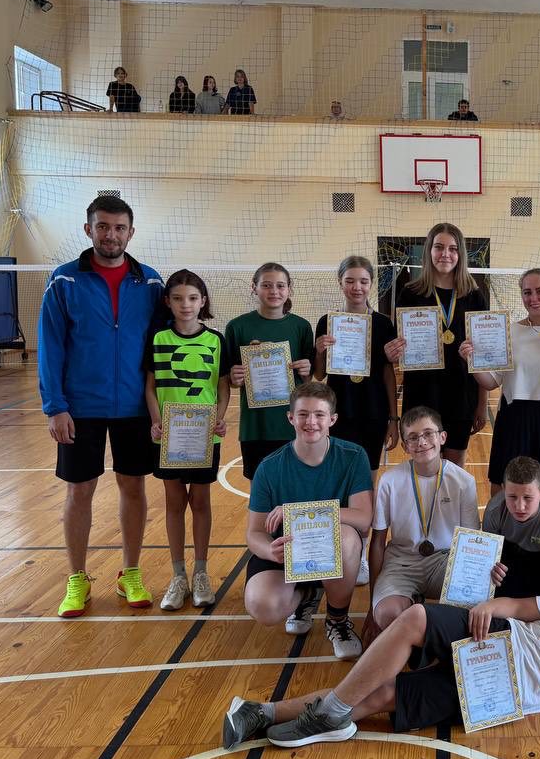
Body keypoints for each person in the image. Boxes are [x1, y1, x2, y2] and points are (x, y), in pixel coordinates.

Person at [221, 570, 540, 750]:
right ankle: (330, 711)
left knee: (385, 696)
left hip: (496, 693)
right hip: (497, 639)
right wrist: (491, 605)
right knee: (414, 617)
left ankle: (260, 713)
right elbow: (520, 608)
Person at [38, 194, 163, 617]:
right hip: (80, 406)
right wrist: (55, 405)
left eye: (119, 228)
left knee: (134, 487)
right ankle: (77, 578)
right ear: (88, 229)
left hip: (135, 405)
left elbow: (166, 343)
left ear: (131, 232)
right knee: (79, 490)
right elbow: (50, 345)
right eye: (103, 226)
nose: (111, 235)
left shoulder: (150, 283)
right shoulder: (64, 280)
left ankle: (131, 572)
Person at [244, 382, 372, 654]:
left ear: (332, 420)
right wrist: (269, 550)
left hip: (332, 552)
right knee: (263, 606)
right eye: (303, 414)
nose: (310, 422)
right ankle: (308, 592)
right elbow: (254, 533)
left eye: (319, 415)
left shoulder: (353, 456)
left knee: (347, 536)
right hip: (286, 553)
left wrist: (297, 511)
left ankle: (337, 619)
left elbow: (363, 519)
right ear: (291, 417)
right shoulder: (269, 467)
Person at [144, 270, 231, 610]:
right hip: (169, 437)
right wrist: (155, 421)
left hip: (203, 436)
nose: (186, 305)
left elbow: (222, 385)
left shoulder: (216, 340)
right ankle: (178, 575)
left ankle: (201, 573)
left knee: (201, 501)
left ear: (203, 301)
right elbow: (150, 386)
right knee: (174, 502)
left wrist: (219, 417)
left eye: (193, 298)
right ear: (168, 301)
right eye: (178, 298)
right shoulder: (158, 339)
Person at [461, 267, 540, 493]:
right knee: (501, 487)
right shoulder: (508, 332)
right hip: (514, 417)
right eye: (527, 292)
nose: (533, 298)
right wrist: (471, 360)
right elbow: (491, 382)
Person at [366, 406, 480, 633]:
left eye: (428, 433)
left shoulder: (463, 481)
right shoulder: (390, 481)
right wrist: (372, 605)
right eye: (413, 437)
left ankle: (420, 615)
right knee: (386, 614)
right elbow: (377, 542)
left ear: (442, 437)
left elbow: (471, 541)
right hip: (402, 562)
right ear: (405, 446)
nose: (422, 442)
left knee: (474, 605)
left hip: (445, 561)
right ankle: (410, 603)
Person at [385, 223, 488, 467]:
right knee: (423, 467)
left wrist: (482, 404)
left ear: (460, 254)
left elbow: (483, 357)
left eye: (453, 248)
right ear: (429, 251)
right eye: (439, 247)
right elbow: (399, 346)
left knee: (454, 469)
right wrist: (393, 352)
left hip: (461, 395)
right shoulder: (410, 293)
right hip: (422, 393)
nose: (445, 254)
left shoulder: (474, 295)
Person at [225, 263, 315, 483]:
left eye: (280, 285)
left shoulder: (302, 327)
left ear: (289, 289)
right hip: (256, 428)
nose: (274, 291)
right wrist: (234, 377)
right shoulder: (237, 327)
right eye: (266, 285)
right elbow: (231, 379)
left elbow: (308, 379)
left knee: (294, 489)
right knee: (260, 492)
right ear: (254, 287)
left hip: (292, 425)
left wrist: (306, 371)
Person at [313, 256, 399, 479]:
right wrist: (319, 352)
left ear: (371, 283)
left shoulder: (383, 324)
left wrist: (393, 419)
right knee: (339, 476)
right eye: (350, 281)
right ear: (340, 282)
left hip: (374, 411)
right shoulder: (327, 322)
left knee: (368, 477)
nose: (357, 287)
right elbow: (319, 375)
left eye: (363, 281)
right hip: (339, 411)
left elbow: (388, 374)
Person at [481, 456, 540, 598]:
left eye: (527, 498)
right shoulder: (494, 511)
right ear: (503, 490)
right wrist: (491, 571)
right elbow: (487, 563)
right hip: (509, 555)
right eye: (512, 497)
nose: (520, 507)